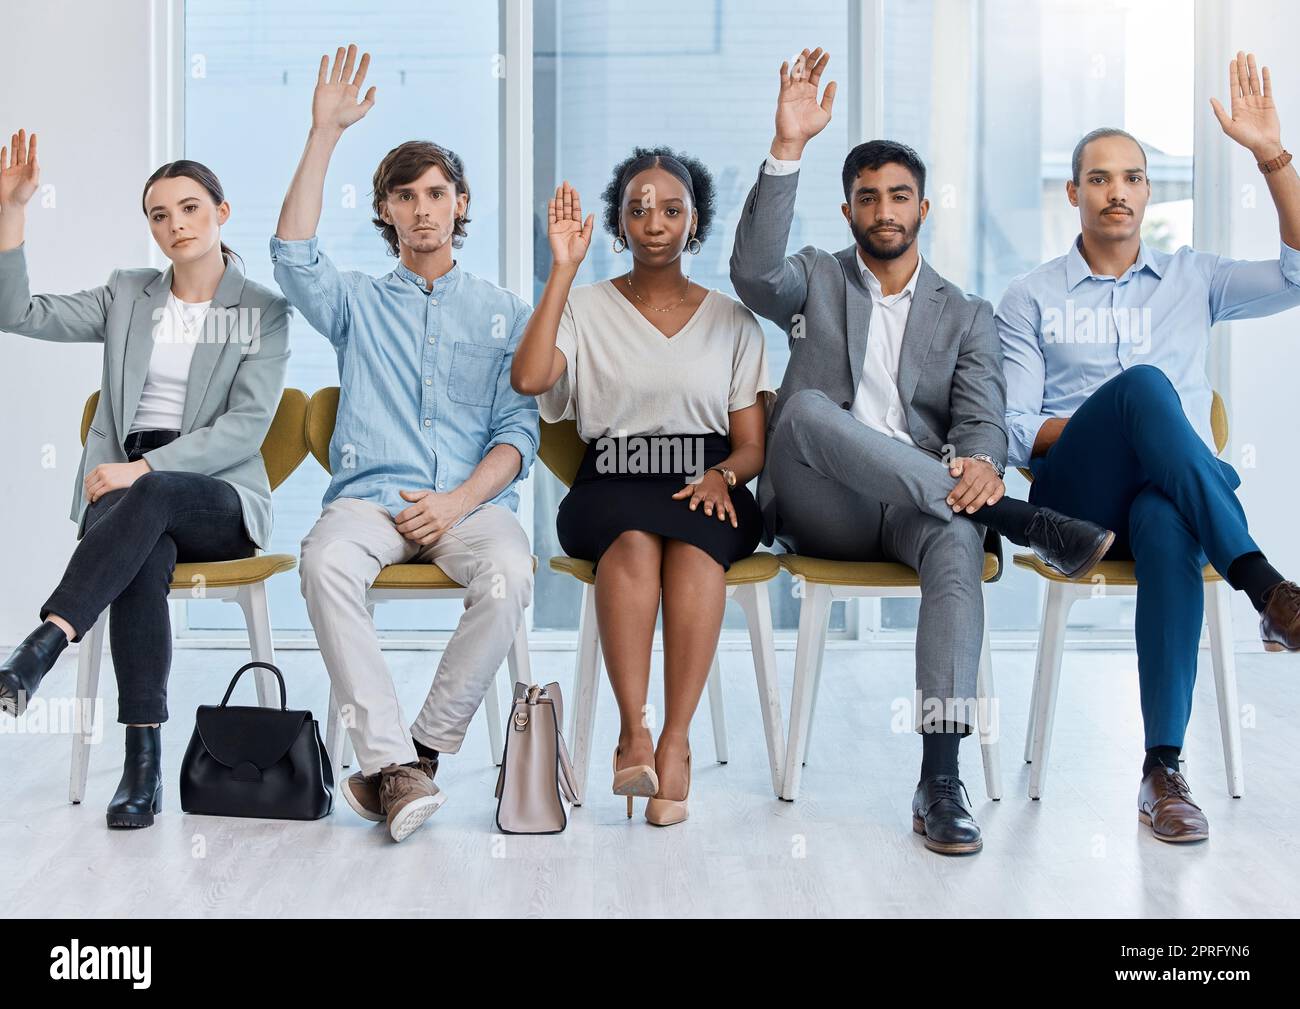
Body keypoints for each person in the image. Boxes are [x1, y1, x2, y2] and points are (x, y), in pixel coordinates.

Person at [731, 48, 1114, 856]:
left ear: (924, 207)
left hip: (919, 507)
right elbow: (752, 271)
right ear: (848, 212)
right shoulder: (815, 279)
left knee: (953, 535)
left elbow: (980, 423)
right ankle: (1019, 519)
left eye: (898, 195)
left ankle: (941, 774)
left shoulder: (967, 314)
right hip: (822, 503)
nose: (884, 209)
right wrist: (787, 146)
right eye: (867, 197)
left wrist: (979, 466)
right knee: (799, 409)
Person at [996, 51, 1300, 844]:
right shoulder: (1030, 296)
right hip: (1076, 506)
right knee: (1144, 391)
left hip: (1166, 498)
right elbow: (1022, 429)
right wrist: (1121, 421)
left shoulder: (1194, 277)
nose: (1118, 191)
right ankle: (1266, 586)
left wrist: (1271, 159)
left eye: (1132, 177)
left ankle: (1162, 771)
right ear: (1074, 193)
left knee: (1168, 518)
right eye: (1100, 178)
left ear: (1148, 191)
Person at [271, 45, 539, 843]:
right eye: (405, 196)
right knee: (321, 563)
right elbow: (291, 255)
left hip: (469, 502)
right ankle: (389, 760)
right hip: (370, 502)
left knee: (509, 573)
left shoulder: (503, 310)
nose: (422, 208)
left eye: (436, 193)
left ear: (461, 205)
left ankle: (417, 750)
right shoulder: (354, 301)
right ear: (385, 211)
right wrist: (324, 133)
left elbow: (516, 432)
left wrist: (458, 501)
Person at [0, 130, 291, 829]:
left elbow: (245, 429)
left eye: (190, 208)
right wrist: (12, 212)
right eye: (159, 215)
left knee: (148, 494)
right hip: (131, 497)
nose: (175, 226)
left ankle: (42, 645)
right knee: (142, 558)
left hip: (216, 496)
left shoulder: (264, 309)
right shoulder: (126, 294)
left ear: (222, 211)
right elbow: (16, 312)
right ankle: (143, 768)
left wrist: (143, 467)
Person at [513, 151, 774, 827]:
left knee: (693, 551)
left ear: (694, 225)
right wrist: (562, 271)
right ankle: (634, 732)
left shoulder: (734, 322)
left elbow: (752, 445)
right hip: (615, 475)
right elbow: (530, 378)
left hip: (705, 474)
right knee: (631, 544)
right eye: (636, 208)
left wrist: (724, 475)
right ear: (617, 224)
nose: (652, 221)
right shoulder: (585, 307)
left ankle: (676, 741)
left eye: (670, 209)